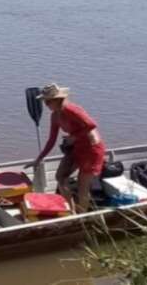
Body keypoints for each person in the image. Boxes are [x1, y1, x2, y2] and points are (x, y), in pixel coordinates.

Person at [24, 83, 106, 213]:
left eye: (48, 101)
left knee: (82, 186)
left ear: (58, 99)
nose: (46, 105)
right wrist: (38, 159)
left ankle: (81, 216)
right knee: (60, 177)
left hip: (92, 149)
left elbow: (91, 125)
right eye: (44, 101)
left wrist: (74, 136)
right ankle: (71, 212)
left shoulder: (71, 109)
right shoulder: (55, 116)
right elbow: (51, 140)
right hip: (76, 148)